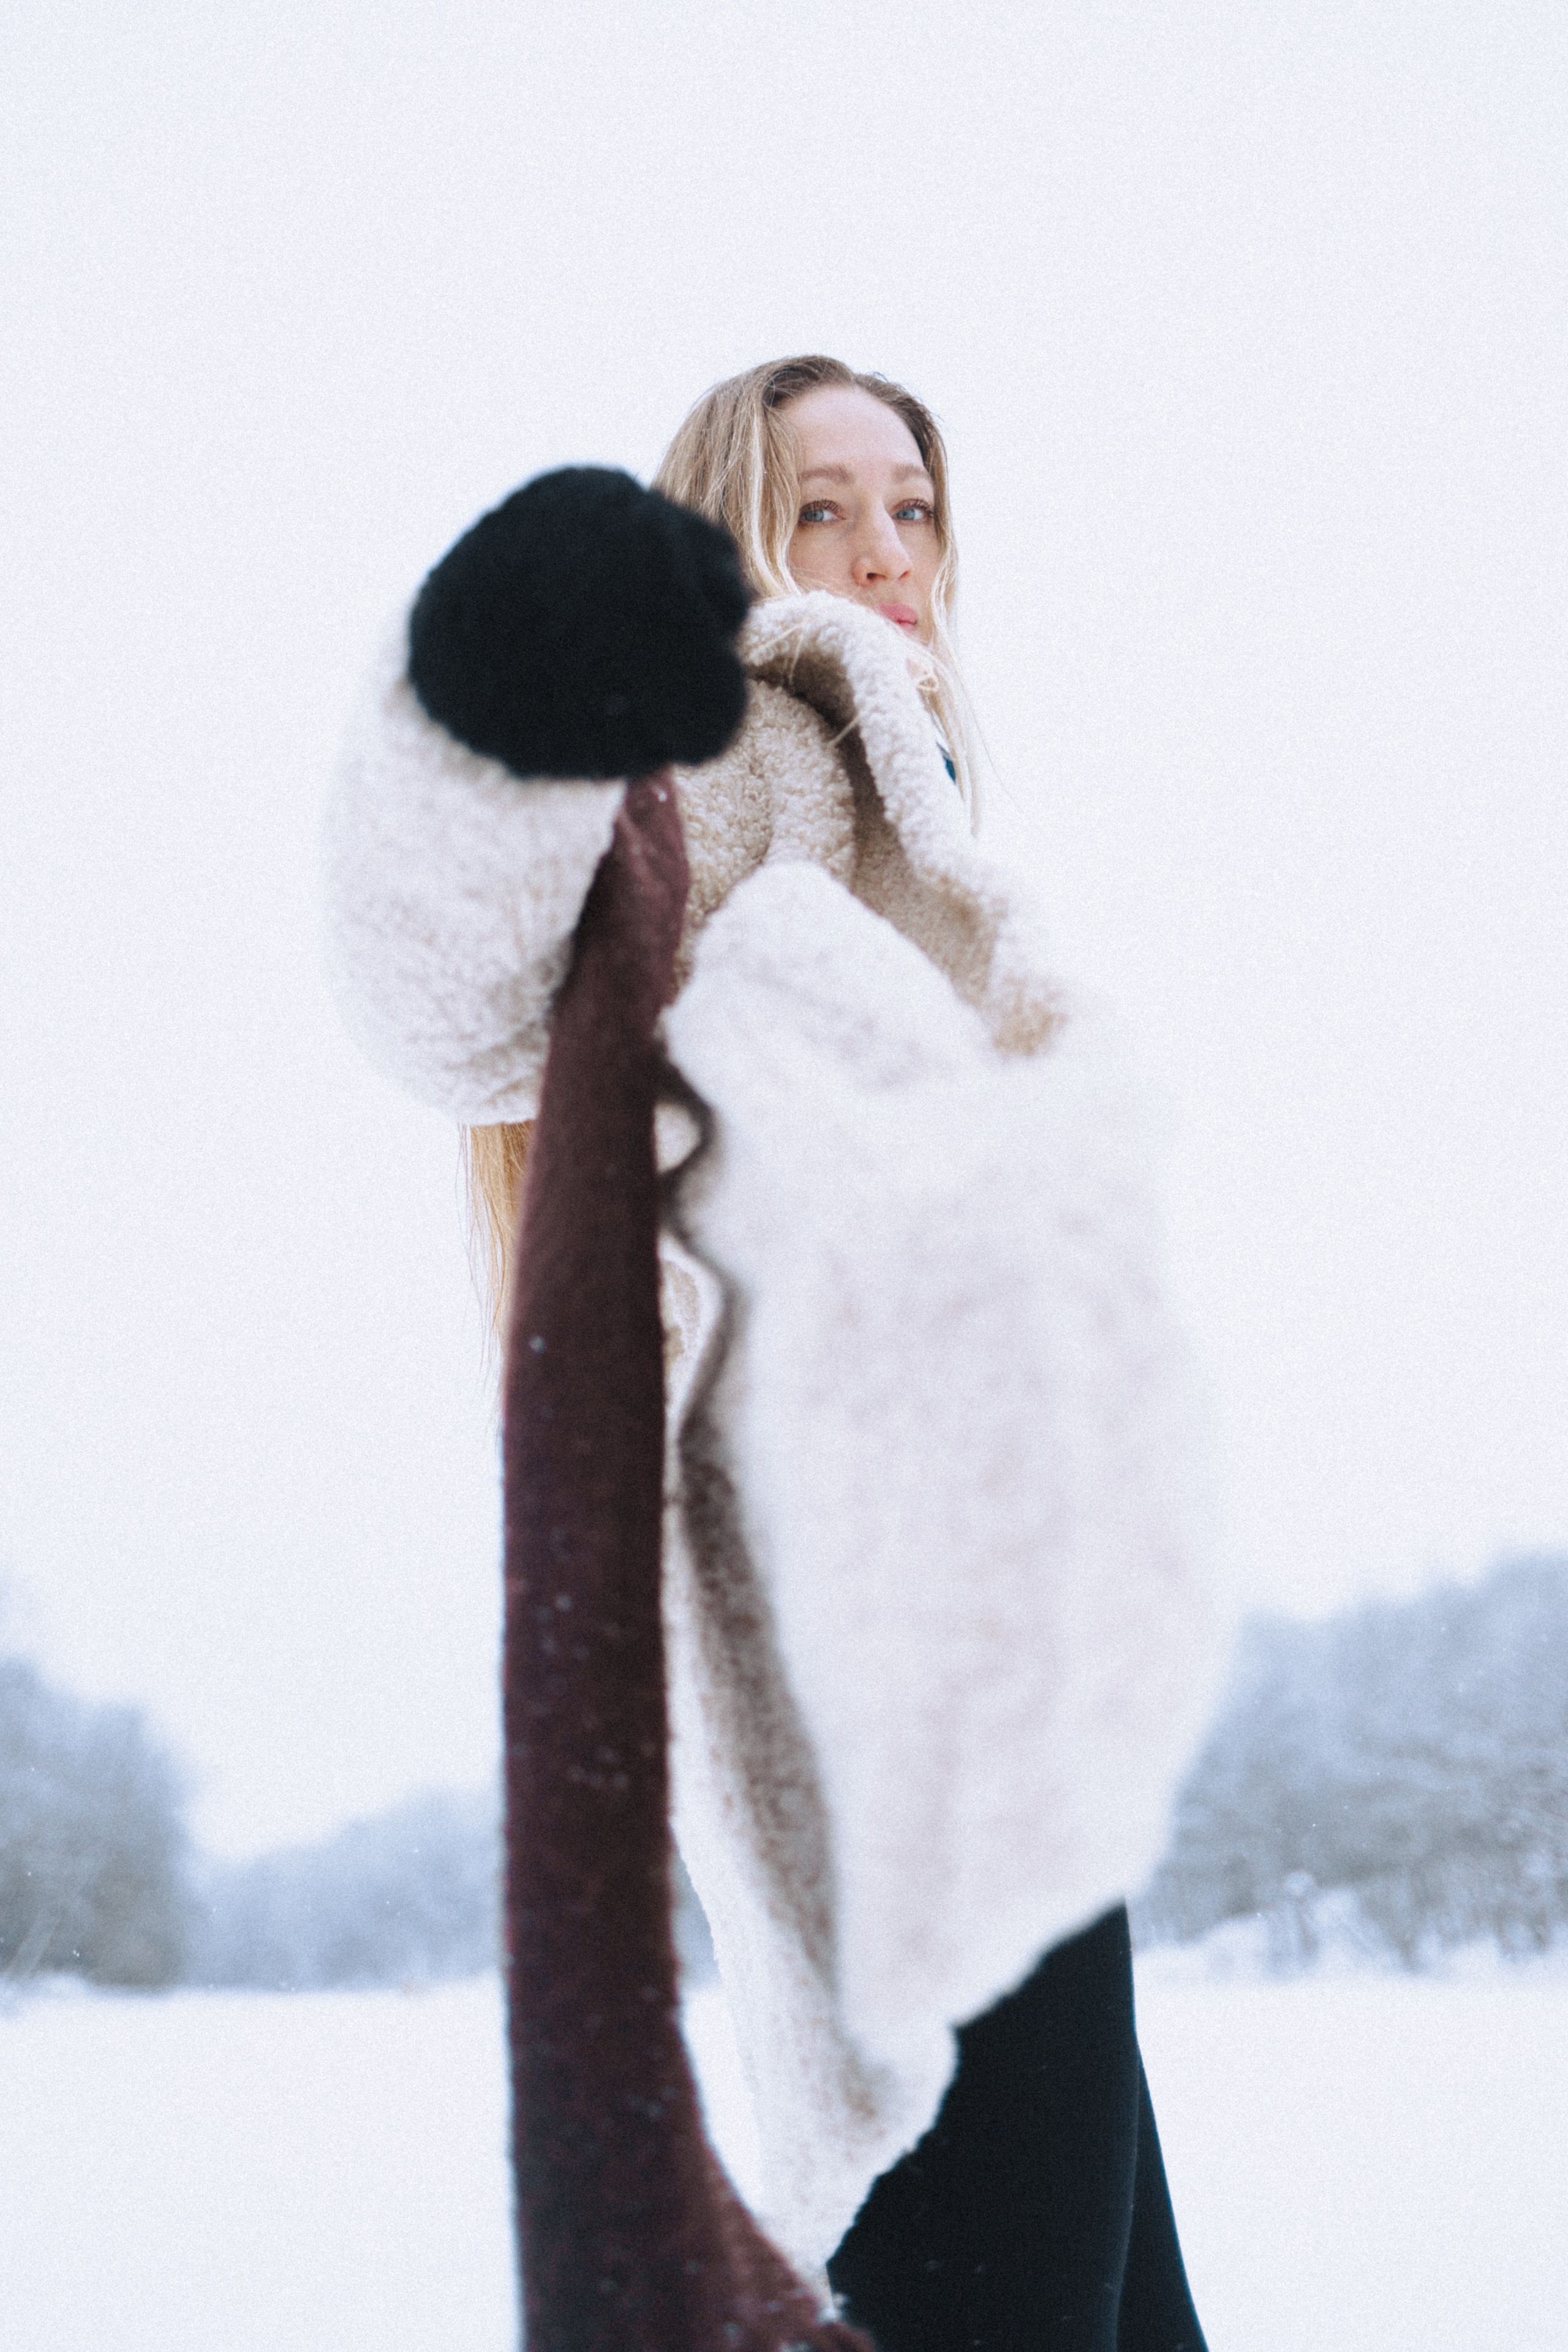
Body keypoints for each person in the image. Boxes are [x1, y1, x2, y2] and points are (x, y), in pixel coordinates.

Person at [325, 355, 1222, 2350]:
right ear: (727, 536)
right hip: (889, 1670)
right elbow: (456, 990)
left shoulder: (905, 811)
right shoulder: (737, 750)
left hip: (988, 1662)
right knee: (1007, 2284)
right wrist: (504, 695)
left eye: (915, 507)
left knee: (1108, 2300)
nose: (885, 554)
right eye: (822, 506)